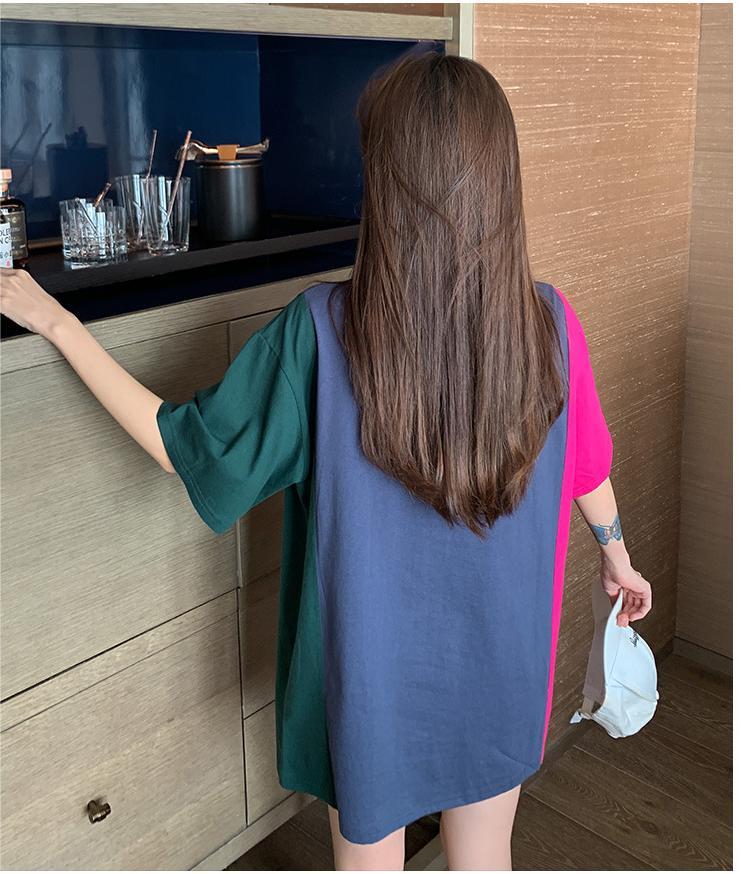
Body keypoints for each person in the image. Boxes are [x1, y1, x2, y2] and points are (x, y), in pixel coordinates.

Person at [0, 50, 651, 872]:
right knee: (486, 855)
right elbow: (586, 466)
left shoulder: (317, 332)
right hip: (502, 659)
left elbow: (181, 447)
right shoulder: (548, 321)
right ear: (498, 180)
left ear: (385, 179)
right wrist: (616, 555)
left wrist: (58, 323)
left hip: (370, 681)